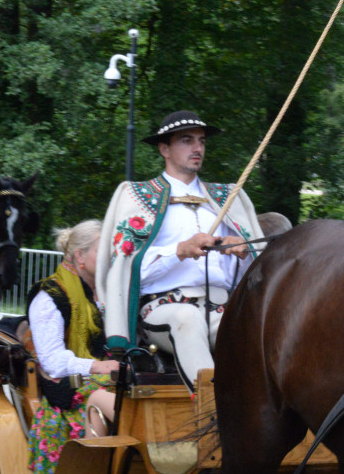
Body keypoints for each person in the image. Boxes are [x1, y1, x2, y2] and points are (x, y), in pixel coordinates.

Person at [95, 110, 263, 392]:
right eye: (187, 141)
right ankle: (211, 408)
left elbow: (259, 271)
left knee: (259, 328)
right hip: (164, 309)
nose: (198, 148)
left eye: (201, 141)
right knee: (187, 319)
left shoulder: (228, 197)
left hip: (222, 307)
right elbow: (128, 270)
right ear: (164, 149)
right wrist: (180, 251)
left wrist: (244, 253)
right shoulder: (135, 196)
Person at [26, 220, 118, 474]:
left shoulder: (109, 291)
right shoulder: (49, 296)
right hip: (68, 388)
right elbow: (52, 360)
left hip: (113, 378)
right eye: (104, 252)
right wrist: (98, 366)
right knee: (116, 400)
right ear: (80, 256)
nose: (112, 258)